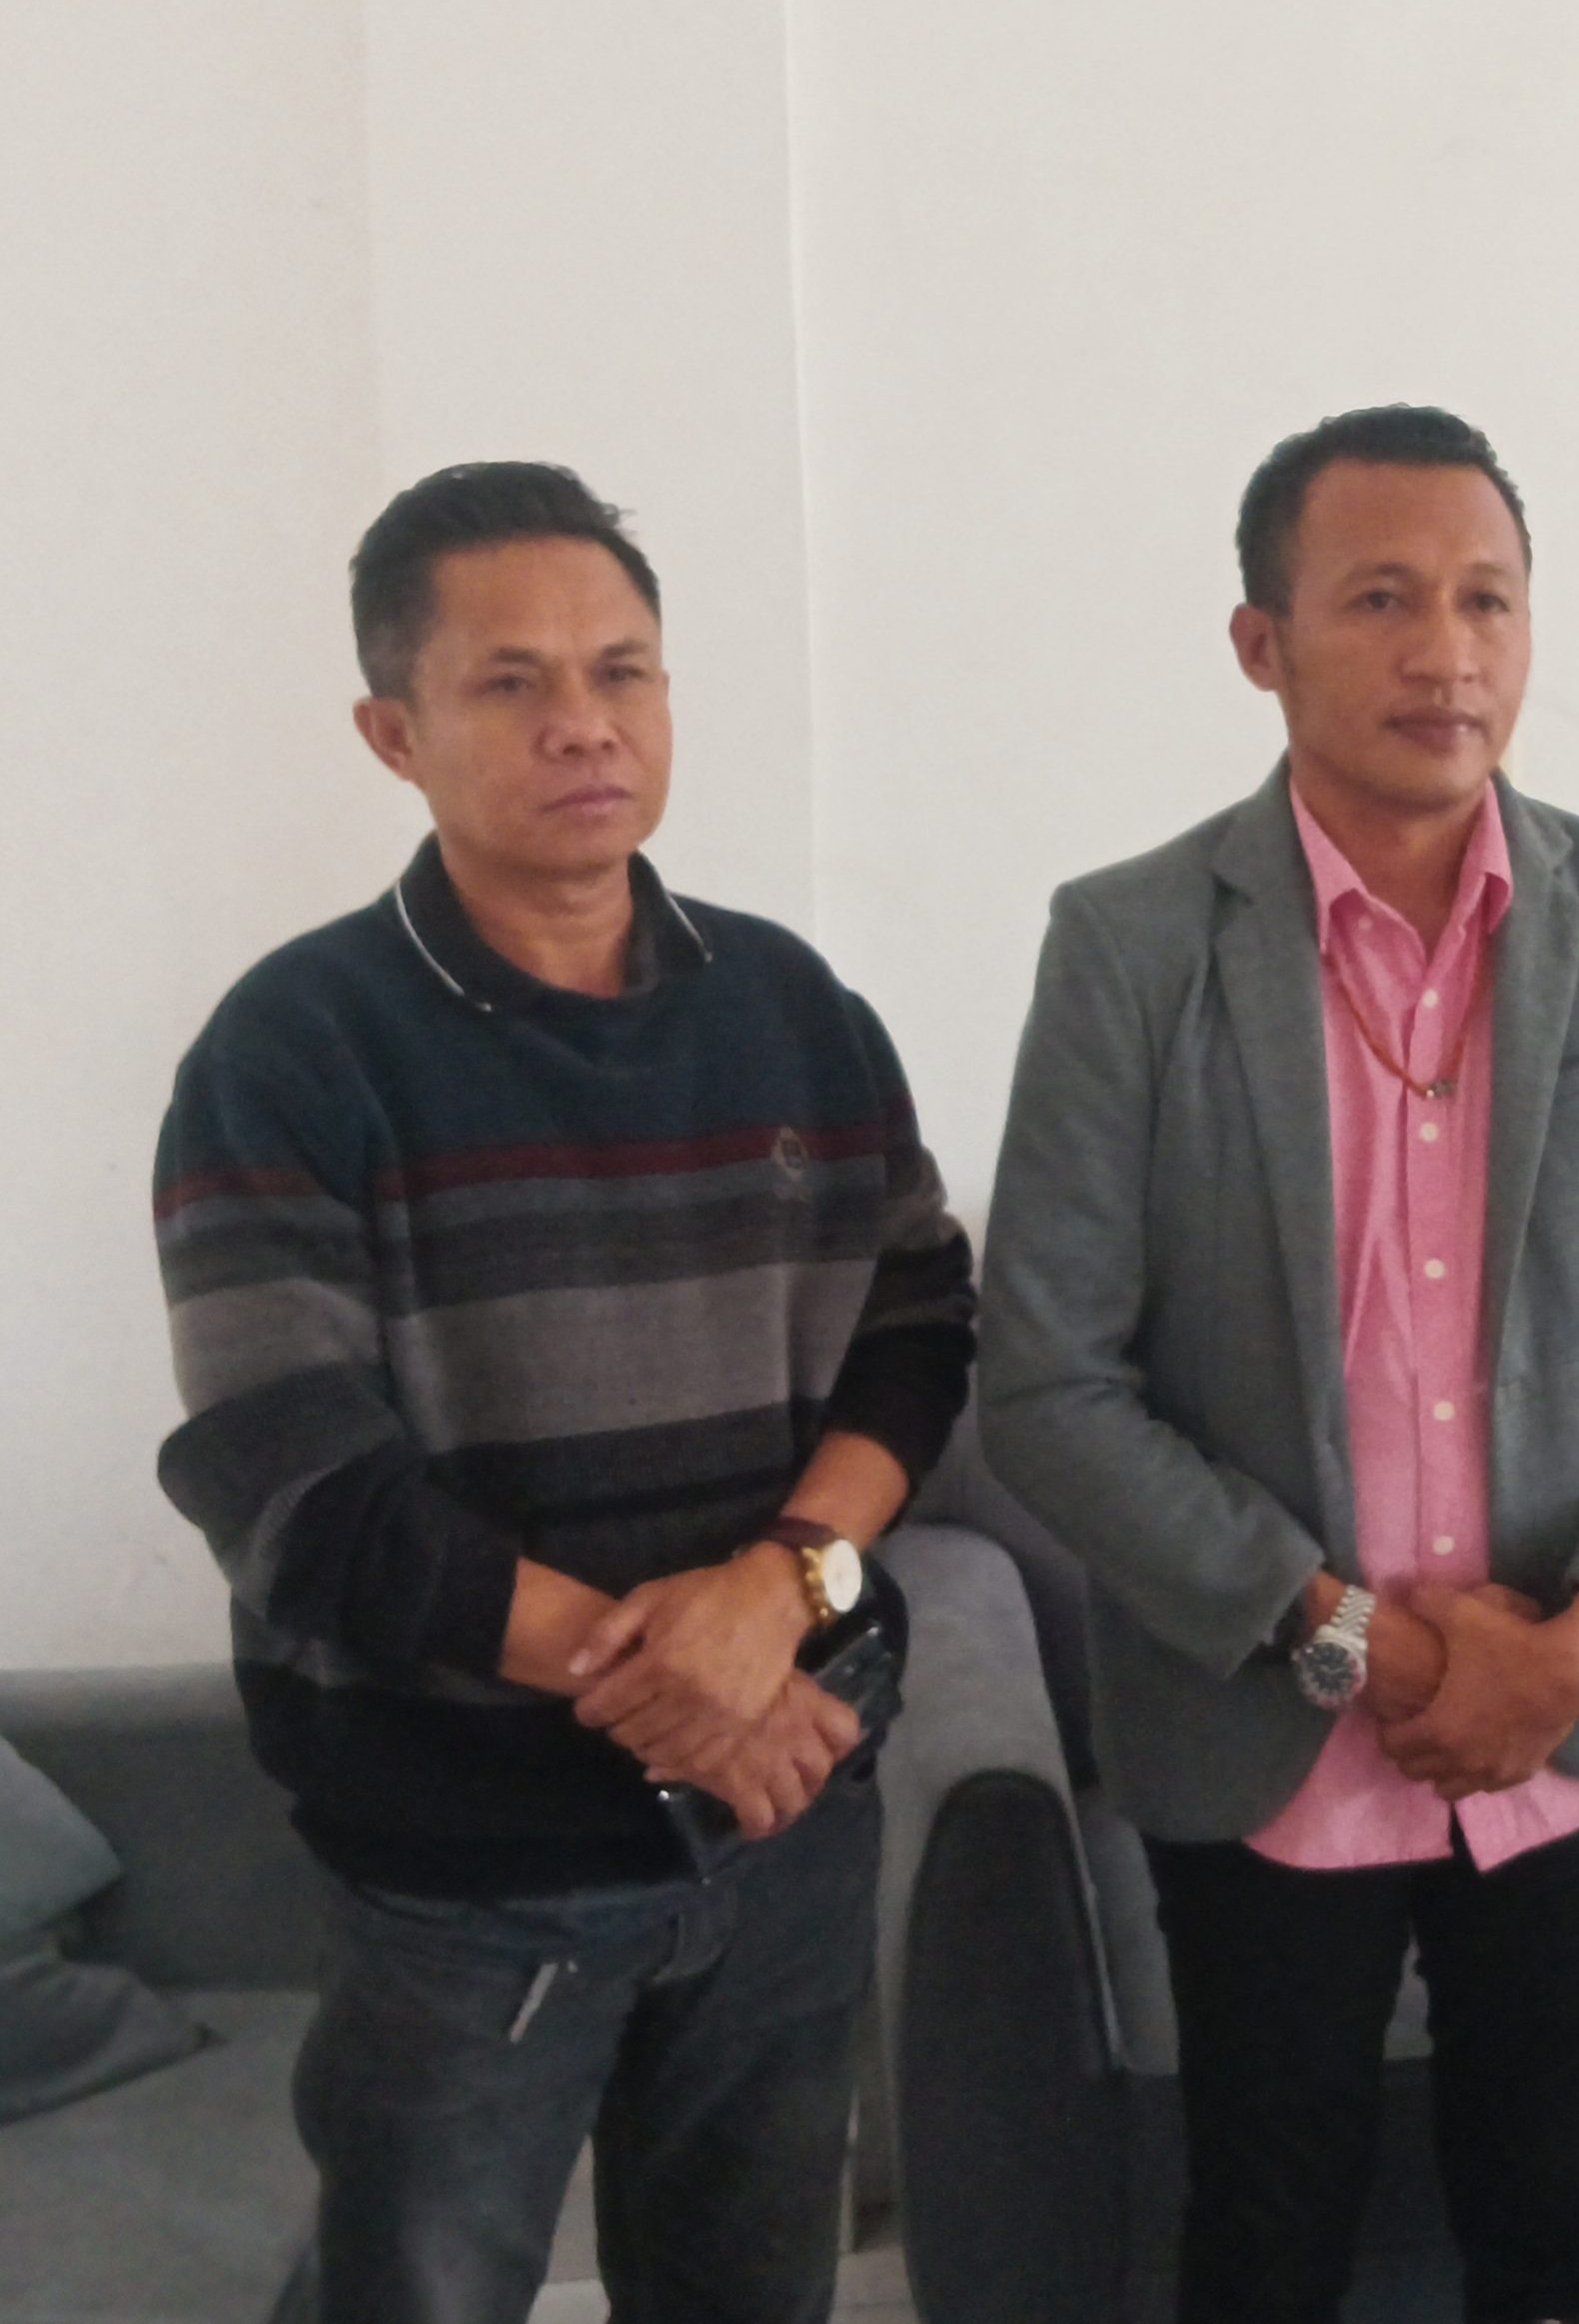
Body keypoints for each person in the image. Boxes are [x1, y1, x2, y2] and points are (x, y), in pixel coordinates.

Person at [978, 404, 1579, 2324]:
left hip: (1569, 1716)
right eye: (1381, 600)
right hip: (1268, 1719)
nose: (1447, 651)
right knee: (1267, 2232)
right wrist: (1351, 1637)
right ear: (1261, 641)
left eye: (1487, 600)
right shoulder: (1132, 944)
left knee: (1556, 2215)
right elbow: (1049, 1381)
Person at [152, 462, 974, 2324]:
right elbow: (297, 1488)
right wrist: (695, 1687)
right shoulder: (293, 1048)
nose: (584, 722)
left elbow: (918, 1329)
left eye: (623, 670)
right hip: (470, 1874)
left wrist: (776, 1595)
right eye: (510, 681)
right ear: (394, 730)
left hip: (785, 1825)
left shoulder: (793, 1007)